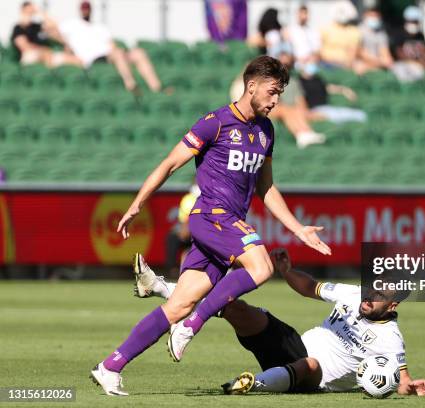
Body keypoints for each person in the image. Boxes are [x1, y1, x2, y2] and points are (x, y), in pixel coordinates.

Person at [89, 56, 331, 396]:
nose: (277, 100)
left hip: (228, 226)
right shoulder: (215, 122)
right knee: (261, 266)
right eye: (274, 92)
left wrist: (298, 228)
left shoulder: (266, 131)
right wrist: (138, 202)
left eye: (281, 93)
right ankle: (192, 326)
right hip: (210, 217)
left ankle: (109, 366)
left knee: (178, 304)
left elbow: (267, 188)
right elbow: (171, 163)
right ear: (252, 86)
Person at [132, 248, 425, 396]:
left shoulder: (391, 338)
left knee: (312, 364)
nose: (370, 296)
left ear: (393, 304)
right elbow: (310, 287)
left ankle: (251, 386)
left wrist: (413, 386)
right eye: (371, 286)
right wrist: (287, 270)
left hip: (313, 379)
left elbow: (401, 377)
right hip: (293, 344)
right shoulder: (353, 294)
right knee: (237, 308)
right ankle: (158, 287)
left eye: (379, 294)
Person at [52, 1, 164, 93]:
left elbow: (111, 44)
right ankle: (130, 84)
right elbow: (53, 31)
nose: (86, 10)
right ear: (80, 10)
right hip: (95, 57)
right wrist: (66, 44)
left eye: (87, 8)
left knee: (138, 53)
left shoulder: (100, 27)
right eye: (84, 8)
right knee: (117, 53)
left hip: (110, 54)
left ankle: (156, 87)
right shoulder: (71, 24)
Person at [10, 2, 81, 67]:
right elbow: (25, 47)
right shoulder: (18, 27)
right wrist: (44, 51)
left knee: (76, 60)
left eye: (31, 10)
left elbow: (54, 27)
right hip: (31, 56)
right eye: (27, 11)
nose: (30, 13)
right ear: (23, 12)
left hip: (48, 55)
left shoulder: (36, 26)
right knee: (42, 56)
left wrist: (41, 12)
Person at [388, 6, 425, 83]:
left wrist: (424, 64)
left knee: (420, 73)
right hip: (401, 64)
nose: (414, 24)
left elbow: (424, 53)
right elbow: (398, 53)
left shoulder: (420, 36)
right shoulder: (399, 34)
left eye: (416, 22)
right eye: (412, 21)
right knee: (403, 75)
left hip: (418, 65)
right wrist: (413, 62)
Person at [319, 1, 361, 70]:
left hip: (345, 66)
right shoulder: (325, 29)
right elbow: (320, 50)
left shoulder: (354, 31)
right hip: (326, 64)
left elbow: (353, 52)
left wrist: (347, 64)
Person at [354, 7, 394, 75]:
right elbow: (359, 52)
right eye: (371, 16)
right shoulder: (358, 31)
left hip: (378, 63)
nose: (374, 18)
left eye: (376, 16)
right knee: (359, 67)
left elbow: (385, 51)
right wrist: (379, 62)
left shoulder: (381, 34)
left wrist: (388, 61)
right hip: (363, 62)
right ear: (365, 16)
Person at [286, 4, 321, 70]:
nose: (303, 16)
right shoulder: (290, 30)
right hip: (295, 65)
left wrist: (311, 59)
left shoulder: (313, 31)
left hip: (311, 64)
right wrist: (298, 59)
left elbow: (317, 51)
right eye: (301, 14)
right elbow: (288, 51)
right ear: (297, 14)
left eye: (305, 14)